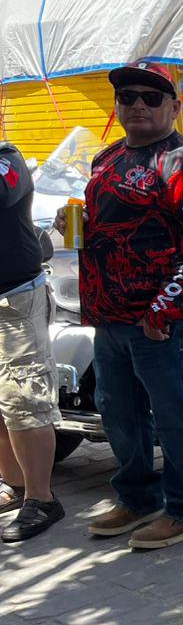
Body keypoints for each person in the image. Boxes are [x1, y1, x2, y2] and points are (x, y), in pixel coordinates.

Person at [78, 62, 183, 550]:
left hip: (163, 320)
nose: (138, 104)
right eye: (128, 97)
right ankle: (137, 497)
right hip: (110, 316)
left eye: (152, 97)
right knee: (118, 412)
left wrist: (163, 309)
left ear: (174, 107)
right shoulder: (107, 158)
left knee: (177, 411)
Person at [0, 138, 64, 542]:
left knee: (23, 398)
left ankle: (42, 499)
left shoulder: (9, 161)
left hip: (15, 300)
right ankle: (14, 485)